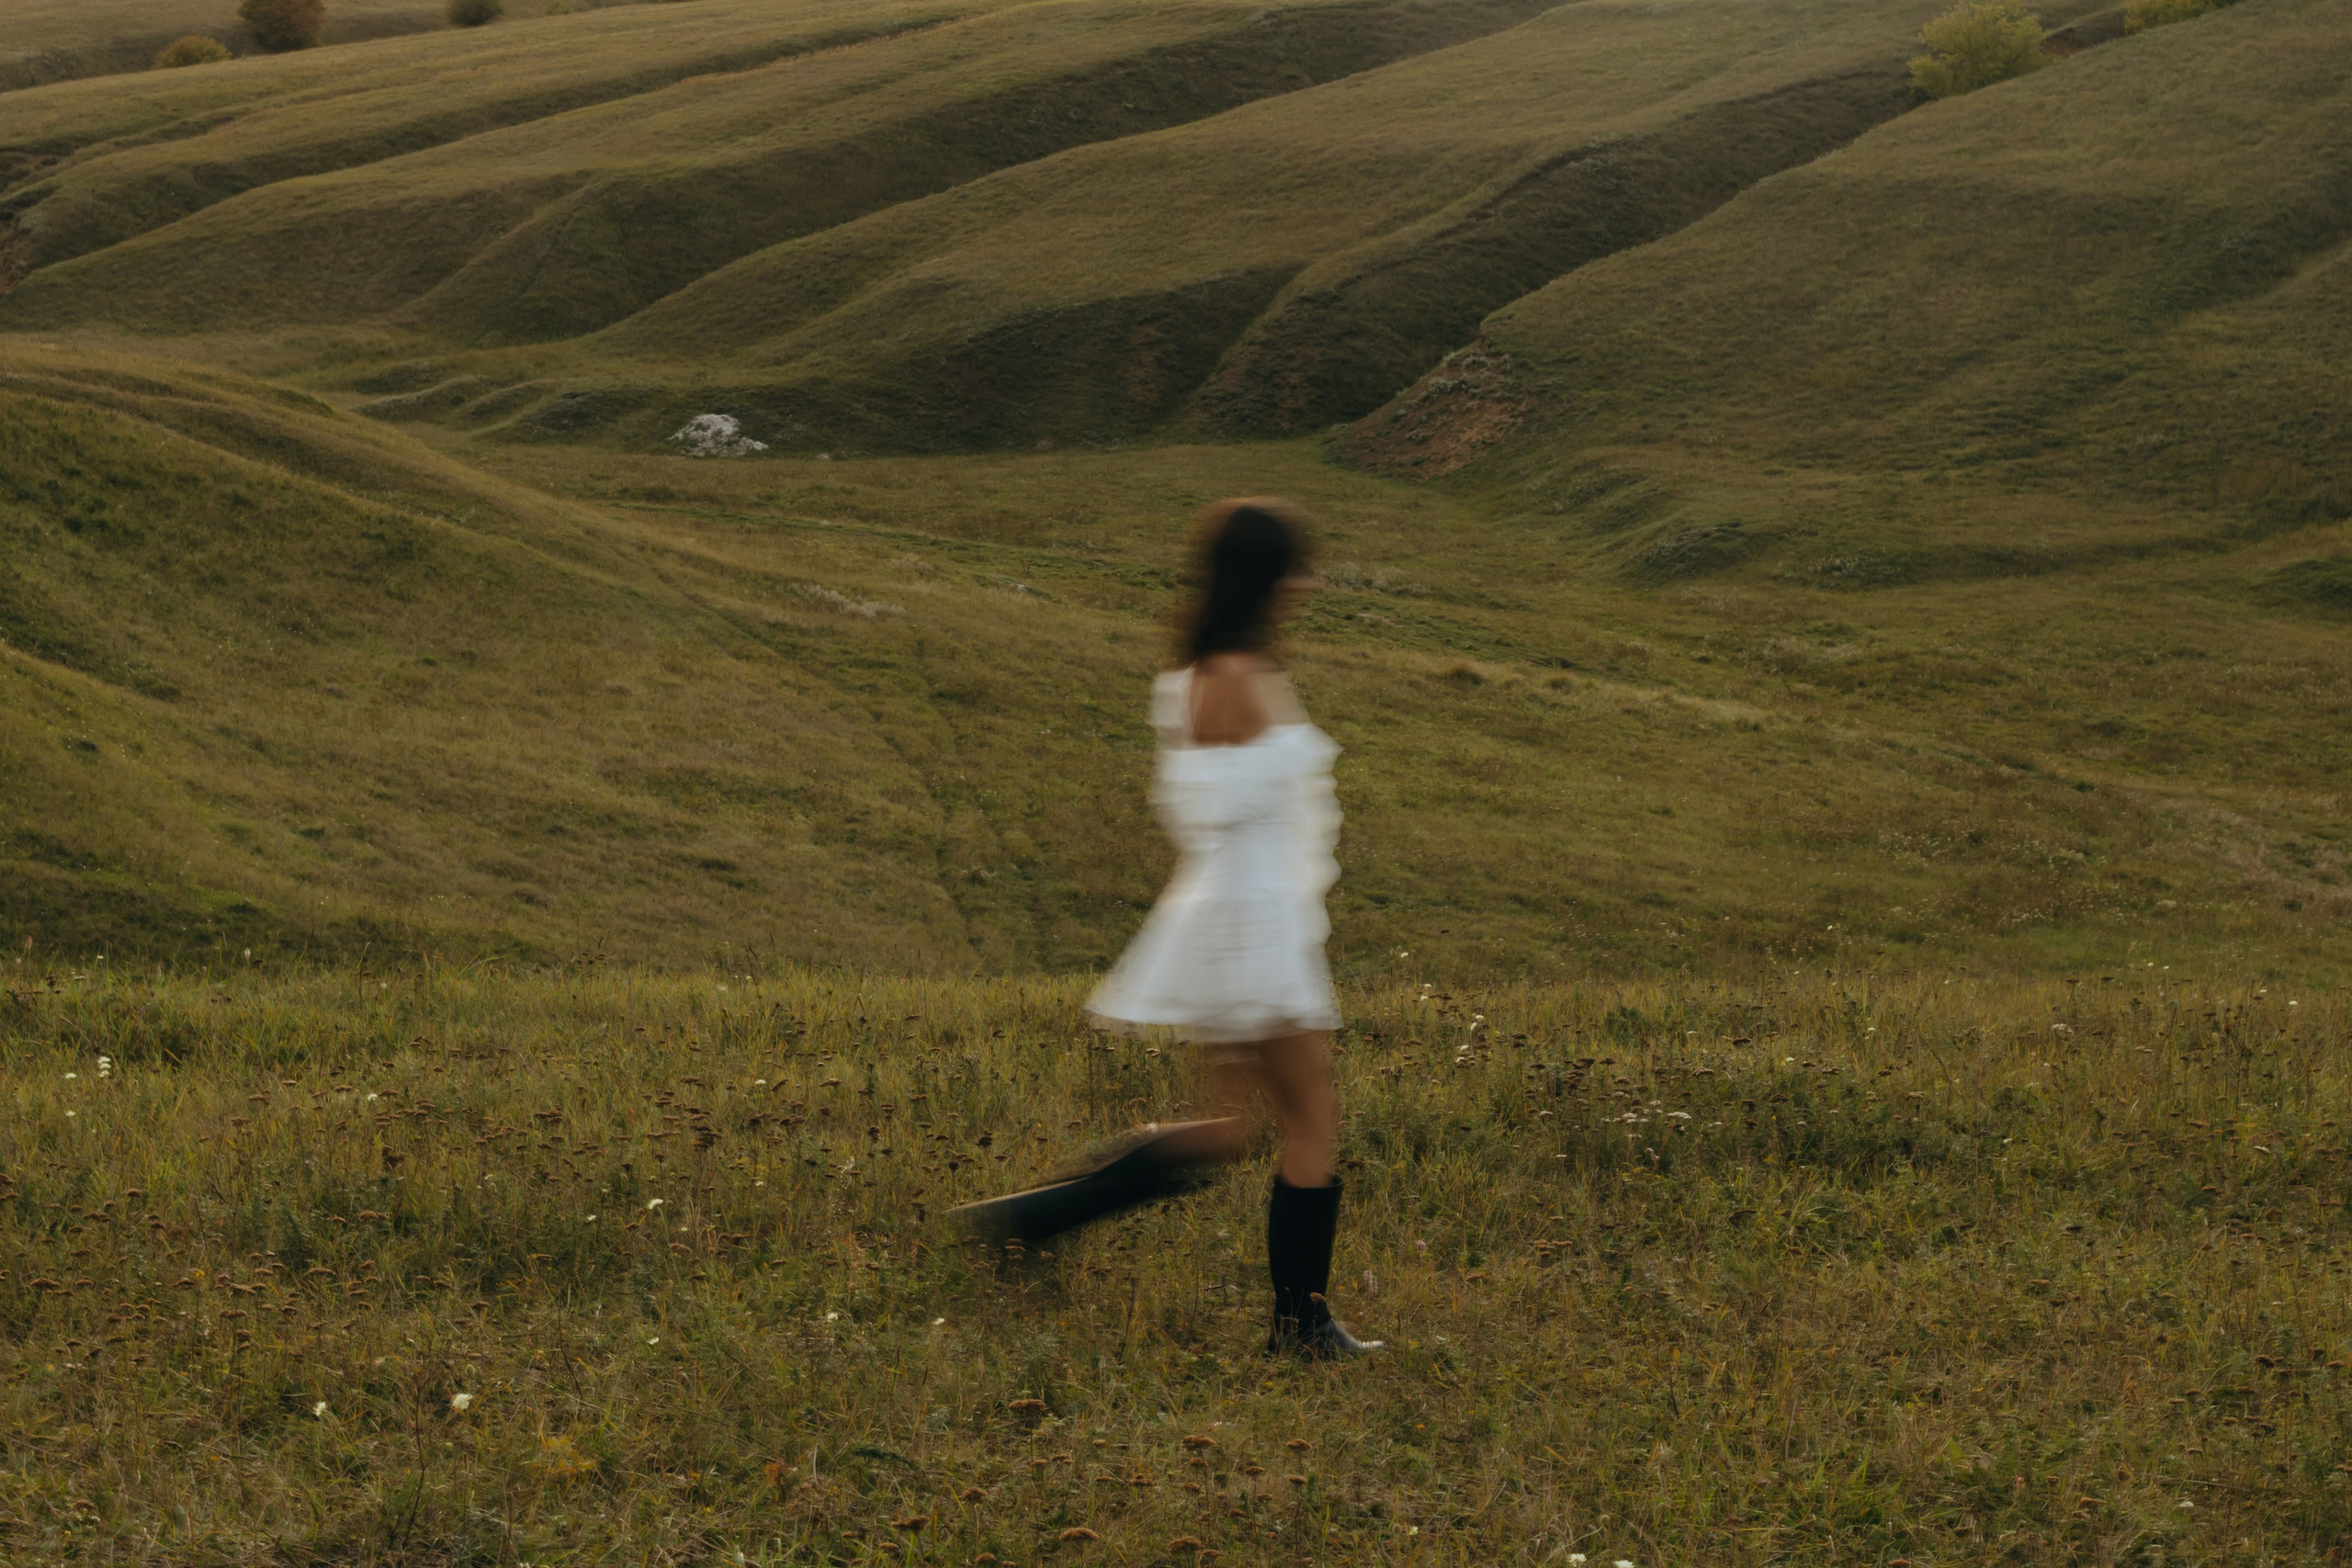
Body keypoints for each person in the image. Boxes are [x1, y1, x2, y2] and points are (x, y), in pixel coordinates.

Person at [952, 497, 1379, 1359]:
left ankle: (1026, 1219)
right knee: (1310, 1121)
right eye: (1296, 566)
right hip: (1252, 919)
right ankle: (1300, 1326)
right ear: (1266, 577)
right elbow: (1224, 803)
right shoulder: (1234, 676)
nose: (1309, 583)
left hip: (1233, 910)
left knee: (1228, 1127)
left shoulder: (1194, 672)